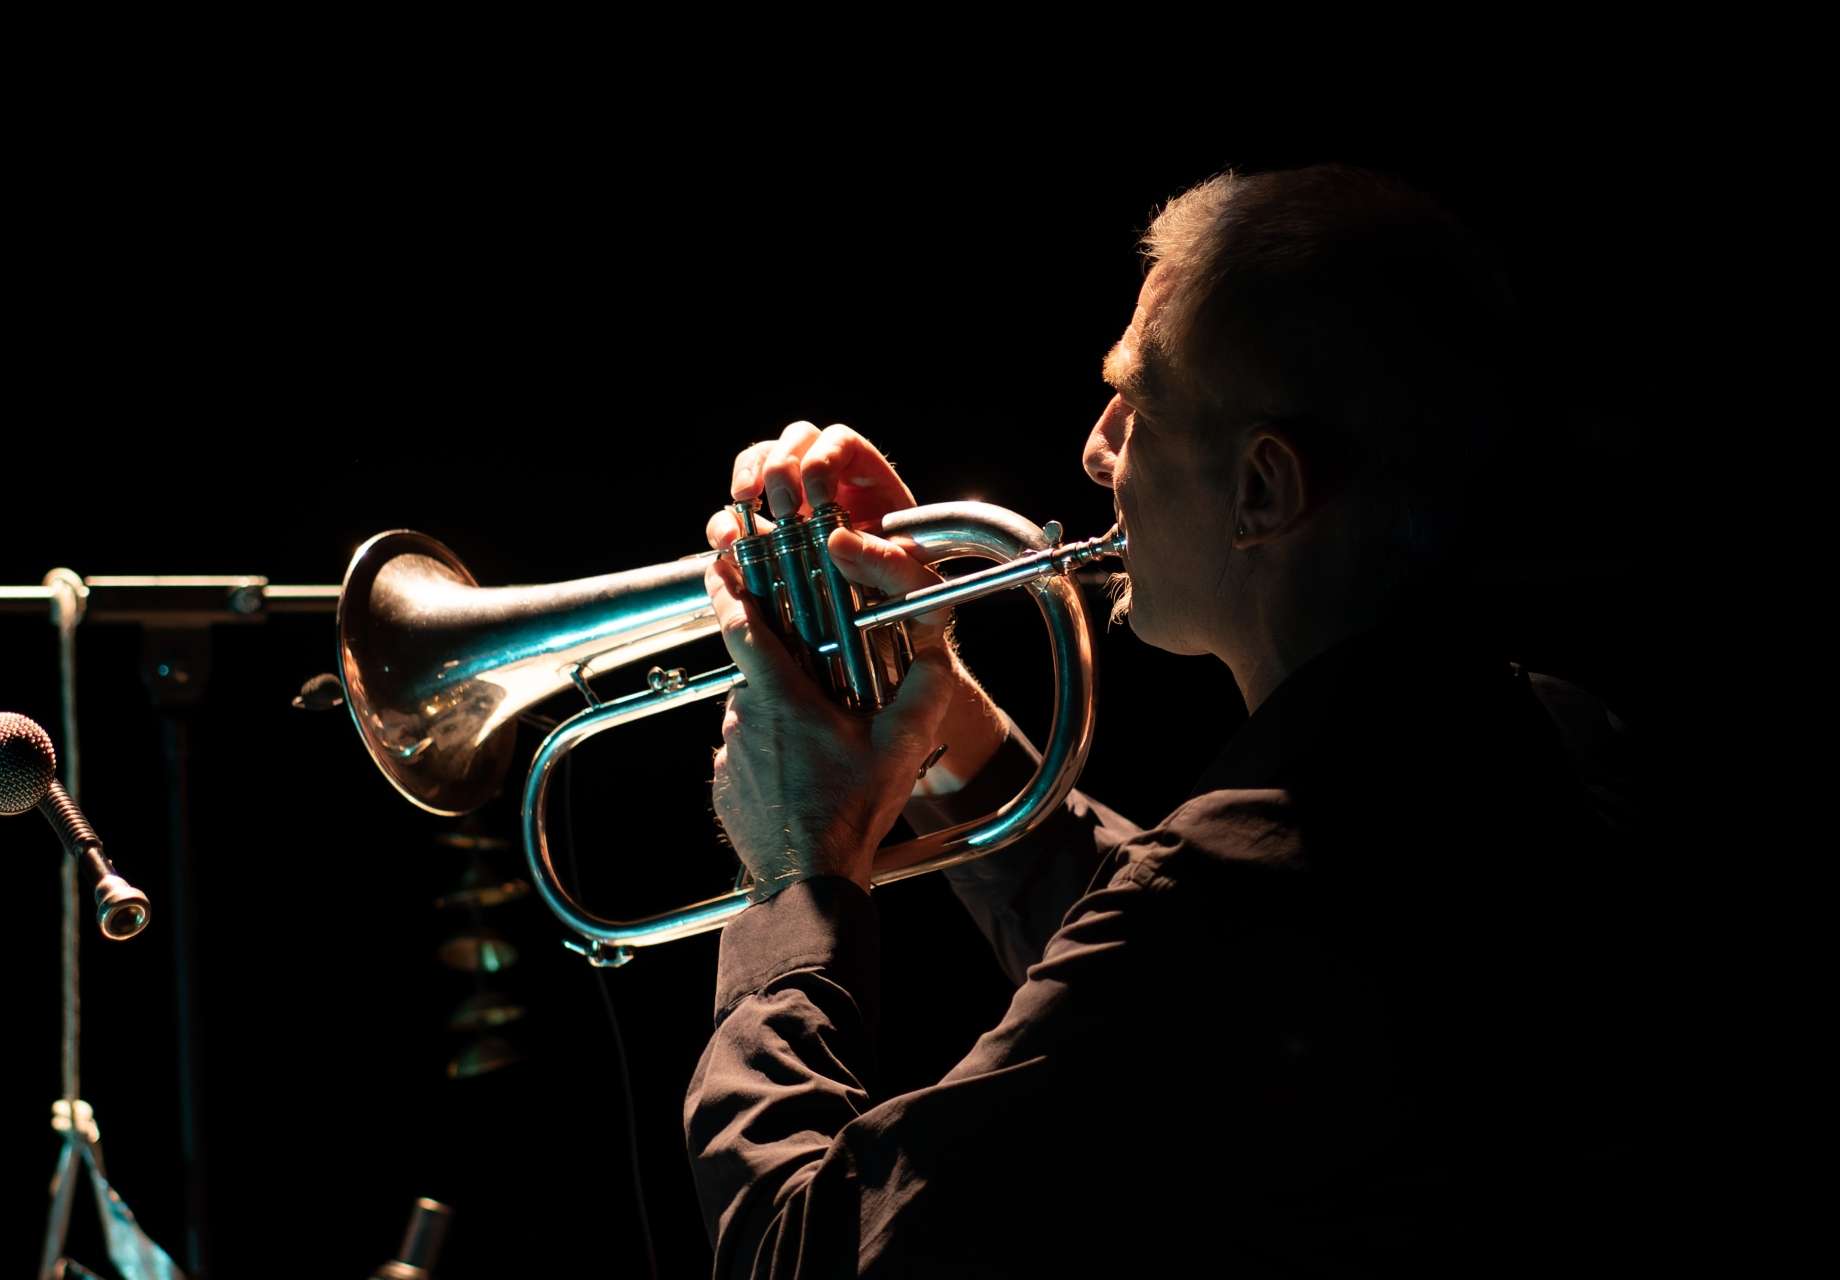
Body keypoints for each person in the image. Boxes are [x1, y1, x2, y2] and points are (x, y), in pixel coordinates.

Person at [685, 165, 1646, 1277]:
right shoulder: (1548, 734)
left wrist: (795, 872)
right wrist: (935, 715)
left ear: (1262, 489)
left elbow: (796, 1250)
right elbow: (1163, 982)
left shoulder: (1241, 906)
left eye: (1137, 402)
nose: (1097, 449)